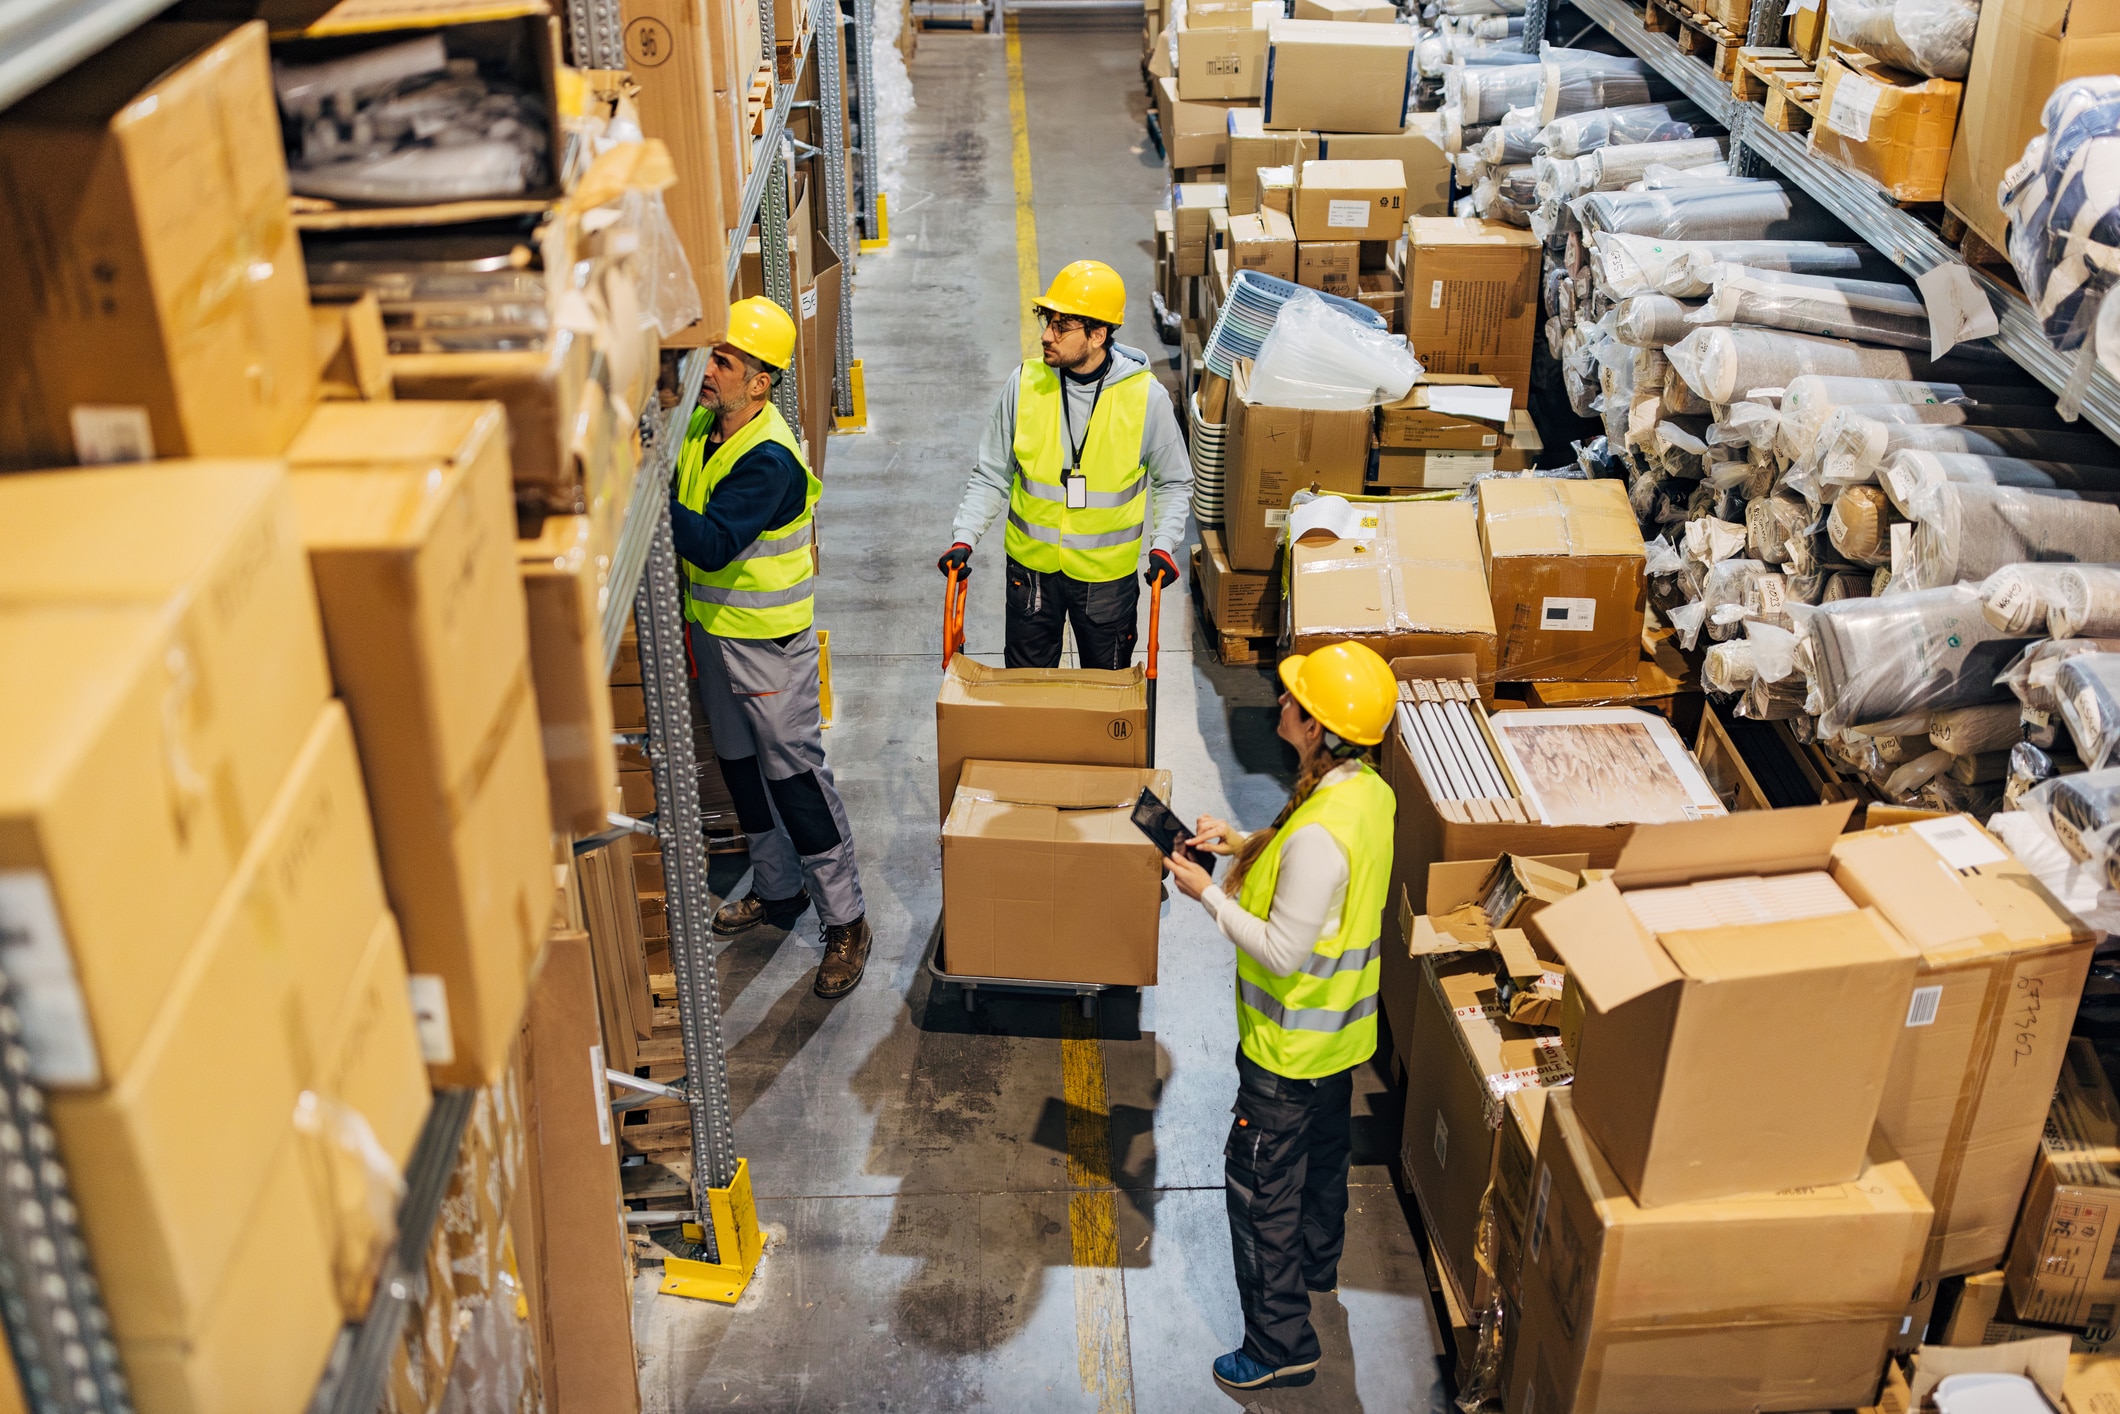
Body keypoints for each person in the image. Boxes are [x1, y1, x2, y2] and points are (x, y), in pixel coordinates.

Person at [1163, 641, 1398, 1392]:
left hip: (1287, 1052)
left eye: (1295, 701)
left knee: (1261, 1192)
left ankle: (1279, 1345)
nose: (1281, 706)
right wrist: (1241, 844)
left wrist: (1207, 892)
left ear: (1319, 728)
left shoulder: (1320, 837)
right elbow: (1315, 866)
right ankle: (1319, 1265)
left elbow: (1281, 949)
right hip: (1340, 1039)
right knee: (1324, 1165)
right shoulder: (1366, 794)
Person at [669, 296, 872, 999]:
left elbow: (714, 541)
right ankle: (779, 890)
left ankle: (845, 919)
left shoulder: (770, 461)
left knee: (794, 779)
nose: (710, 368)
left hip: (767, 647)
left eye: (724, 360)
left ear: (760, 381)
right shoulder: (705, 425)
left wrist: (640, 493)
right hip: (716, 633)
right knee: (740, 769)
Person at [937, 260, 1192, 668]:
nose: (1045, 336)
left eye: (1061, 326)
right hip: (1031, 574)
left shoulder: (1146, 399)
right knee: (1027, 693)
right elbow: (991, 474)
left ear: (1098, 334)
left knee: (1104, 699)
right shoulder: (1024, 384)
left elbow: (1174, 482)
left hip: (1106, 579)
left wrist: (1164, 545)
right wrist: (964, 536)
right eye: (1047, 321)